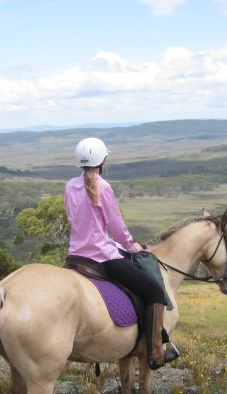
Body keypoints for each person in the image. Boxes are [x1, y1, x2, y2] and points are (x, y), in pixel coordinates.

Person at [64, 137, 179, 369]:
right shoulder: (103, 187)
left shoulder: (69, 186)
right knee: (155, 291)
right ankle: (156, 353)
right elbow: (116, 226)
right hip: (102, 257)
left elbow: (73, 220)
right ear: (102, 161)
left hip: (76, 256)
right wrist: (131, 246)